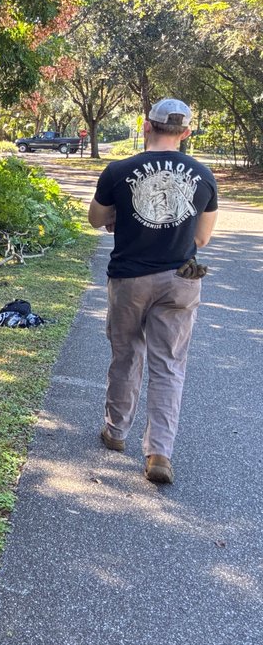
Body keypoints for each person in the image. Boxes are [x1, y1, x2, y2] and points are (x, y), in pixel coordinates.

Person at [87, 99, 218, 485]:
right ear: (186, 132)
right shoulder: (203, 175)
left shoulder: (119, 170)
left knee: (126, 354)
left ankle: (115, 431)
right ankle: (159, 452)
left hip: (129, 279)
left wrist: (118, 217)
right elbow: (202, 237)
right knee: (169, 365)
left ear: (147, 126)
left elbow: (95, 219)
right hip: (180, 279)